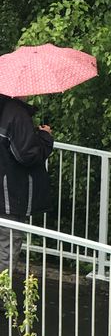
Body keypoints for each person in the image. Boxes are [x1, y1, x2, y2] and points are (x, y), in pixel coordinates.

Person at [0, 95, 53, 272]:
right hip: (11, 195)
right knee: (8, 246)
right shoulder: (16, 114)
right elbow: (27, 155)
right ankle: (3, 295)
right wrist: (45, 138)